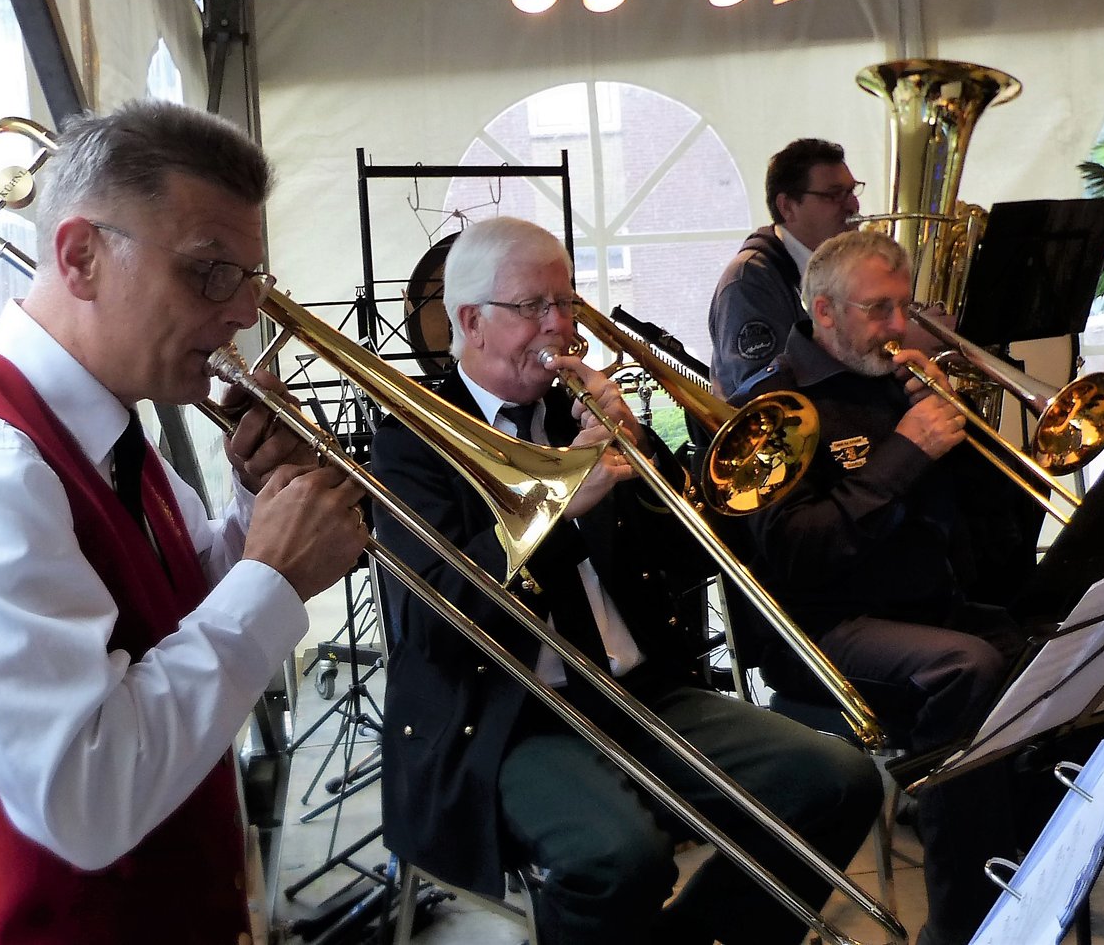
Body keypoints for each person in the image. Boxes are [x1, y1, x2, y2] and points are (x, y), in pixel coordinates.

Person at [0, 100, 369, 943]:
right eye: (210, 271)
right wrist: (275, 577)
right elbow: (83, 793)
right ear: (80, 257)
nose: (244, 313)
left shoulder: (108, 425)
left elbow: (177, 609)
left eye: (250, 279)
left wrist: (261, 509)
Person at [372, 216, 882, 945]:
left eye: (566, 302)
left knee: (840, 779)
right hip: (510, 716)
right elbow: (433, 619)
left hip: (639, 692)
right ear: (471, 321)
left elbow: (690, 560)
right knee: (619, 859)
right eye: (533, 307)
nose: (561, 327)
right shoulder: (413, 442)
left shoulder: (573, 415)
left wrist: (643, 452)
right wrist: (552, 506)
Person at [736, 229, 1051, 945]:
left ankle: (1031, 876)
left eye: (905, 307)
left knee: (1069, 651)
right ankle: (961, 924)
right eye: (878, 308)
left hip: (931, 609)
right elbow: (800, 553)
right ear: (823, 310)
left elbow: (997, 543)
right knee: (966, 669)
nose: (899, 326)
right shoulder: (775, 408)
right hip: (823, 628)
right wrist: (907, 452)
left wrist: (971, 442)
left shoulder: (898, 386)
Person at [709, 138, 862, 399]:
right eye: (834, 195)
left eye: (852, 191)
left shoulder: (836, 268)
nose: (853, 206)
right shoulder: (748, 282)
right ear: (787, 206)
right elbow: (765, 393)